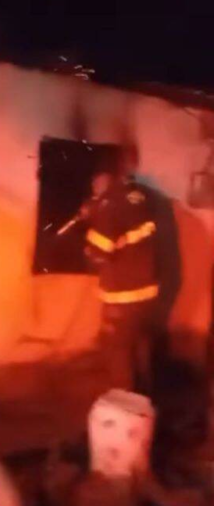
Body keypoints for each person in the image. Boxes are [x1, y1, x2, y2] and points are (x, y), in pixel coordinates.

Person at [81, 162, 164, 395]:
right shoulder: (142, 198)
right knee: (141, 346)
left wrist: (89, 243)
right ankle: (146, 397)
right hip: (148, 293)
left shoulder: (109, 204)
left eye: (94, 185)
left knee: (118, 351)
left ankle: (125, 403)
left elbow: (99, 253)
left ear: (101, 184)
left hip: (122, 297)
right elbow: (142, 231)